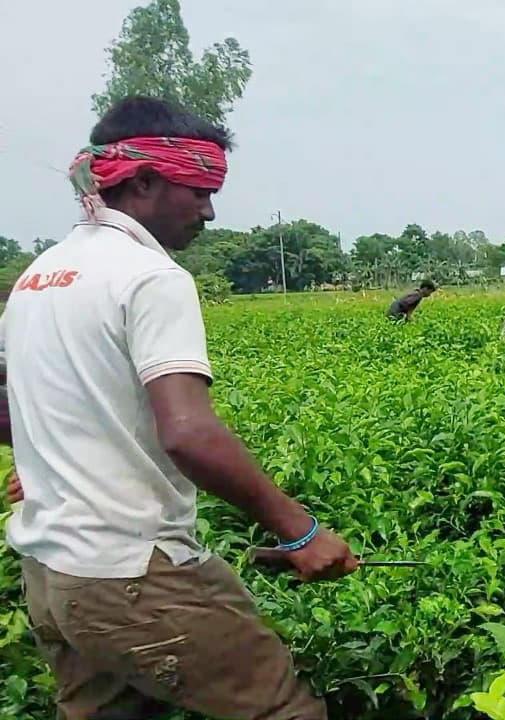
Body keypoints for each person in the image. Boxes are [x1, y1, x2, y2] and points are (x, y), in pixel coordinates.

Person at [0, 96, 356, 720]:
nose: (210, 211)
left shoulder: (38, 277)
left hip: (52, 577)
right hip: (130, 572)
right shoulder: (150, 276)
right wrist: (300, 531)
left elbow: (26, 402)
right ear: (142, 182)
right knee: (282, 710)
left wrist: (43, 455)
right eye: (199, 191)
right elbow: (188, 433)